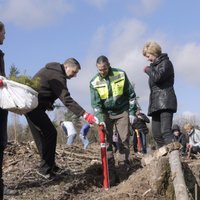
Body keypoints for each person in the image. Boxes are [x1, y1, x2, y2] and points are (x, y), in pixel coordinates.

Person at [25, 58, 96, 179]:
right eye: (74, 72)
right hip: (32, 106)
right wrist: (84, 114)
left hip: (31, 106)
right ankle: (45, 170)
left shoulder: (53, 71)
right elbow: (66, 99)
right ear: (66, 67)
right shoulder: (57, 75)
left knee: (41, 137)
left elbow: (45, 90)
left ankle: (49, 166)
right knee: (51, 133)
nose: (75, 75)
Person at [90, 55, 137, 185]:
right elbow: (96, 104)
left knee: (124, 140)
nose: (103, 72)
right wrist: (100, 118)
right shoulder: (94, 82)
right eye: (100, 70)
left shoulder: (120, 74)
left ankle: (123, 170)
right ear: (97, 68)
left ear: (109, 65)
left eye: (104, 69)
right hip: (106, 114)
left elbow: (131, 94)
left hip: (122, 112)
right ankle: (110, 173)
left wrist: (132, 112)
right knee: (107, 142)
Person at [143, 41, 177, 148]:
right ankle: (166, 157)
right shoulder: (154, 67)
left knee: (166, 132)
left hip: (166, 102)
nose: (147, 59)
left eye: (148, 56)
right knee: (157, 134)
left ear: (154, 53)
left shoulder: (166, 63)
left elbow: (158, 77)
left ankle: (175, 159)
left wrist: (148, 69)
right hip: (155, 105)